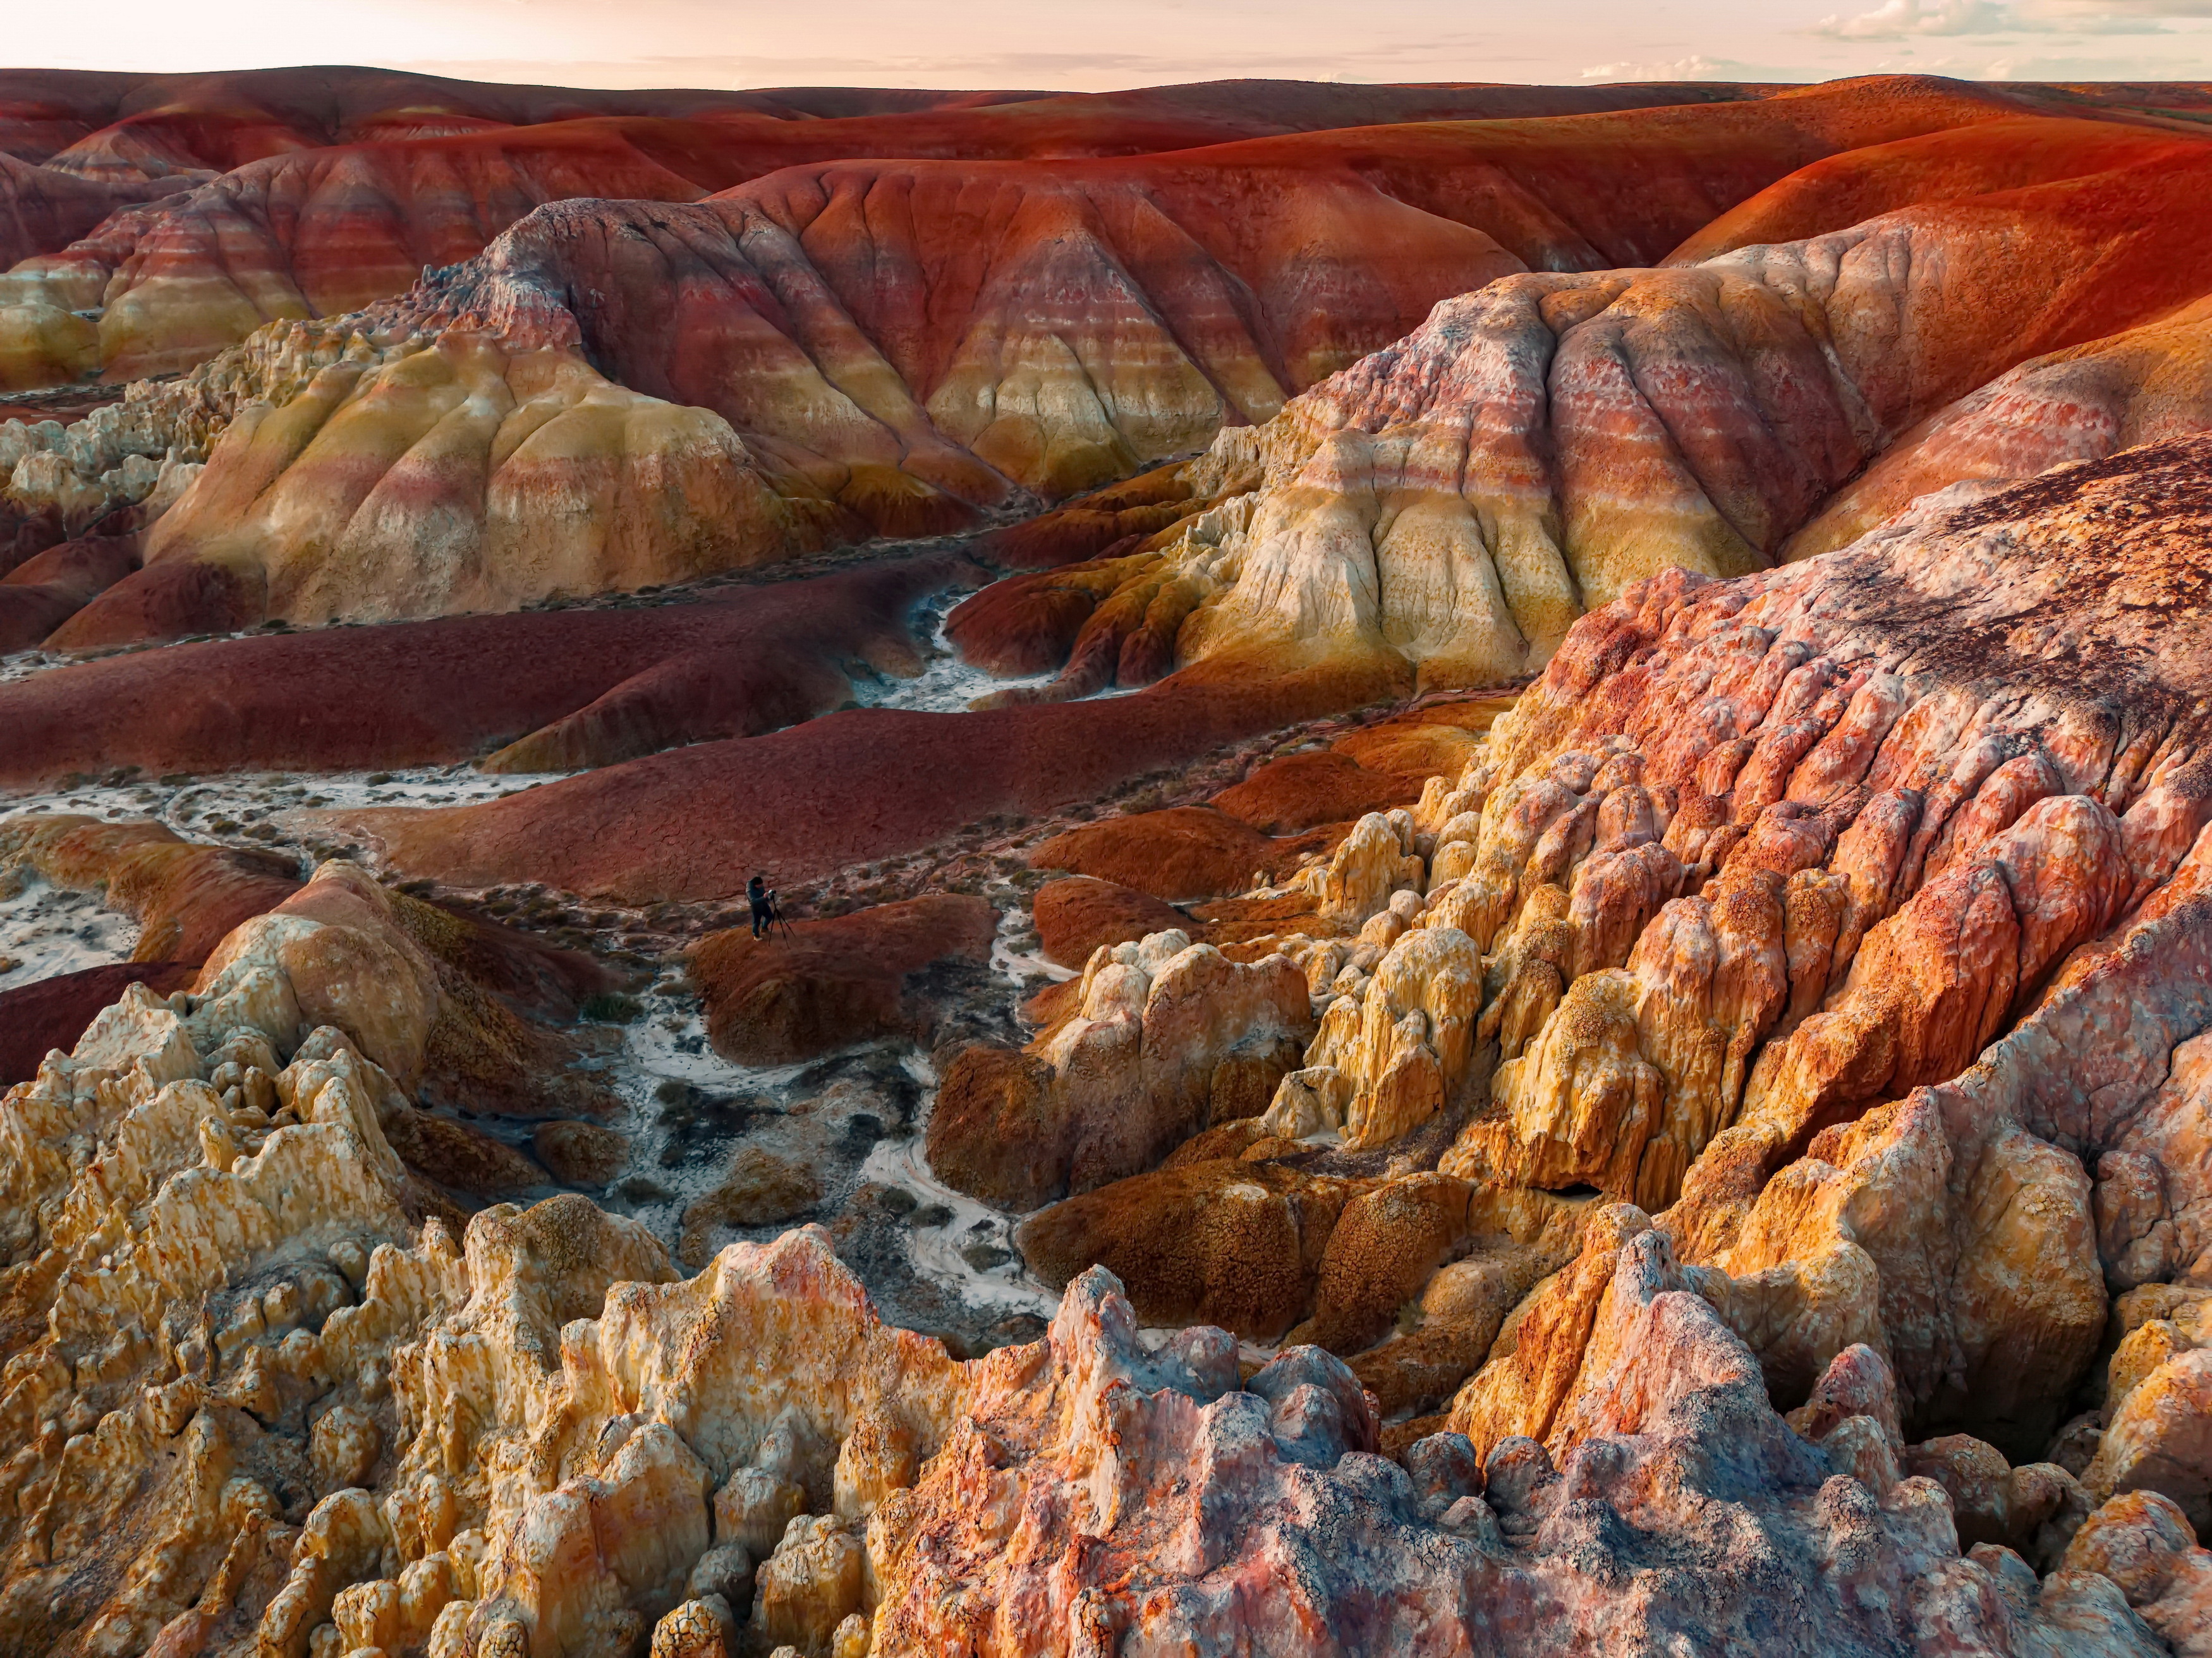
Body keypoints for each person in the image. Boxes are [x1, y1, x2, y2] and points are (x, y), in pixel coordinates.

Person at [748, 874, 779, 939]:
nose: (761, 886)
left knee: (770, 916)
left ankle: (764, 928)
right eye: (760, 885)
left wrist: (768, 899)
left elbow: (763, 893)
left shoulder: (760, 887)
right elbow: (753, 901)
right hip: (756, 907)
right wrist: (764, 897)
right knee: (757, 922)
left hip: (763, 904)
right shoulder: (750, 890)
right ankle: (756, 936)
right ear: (755, 885)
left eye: (762, 885)